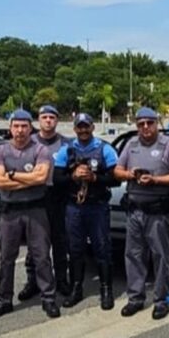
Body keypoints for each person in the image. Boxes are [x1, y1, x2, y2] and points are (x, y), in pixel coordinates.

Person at [0, 109, 60, 319]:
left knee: (42, 256)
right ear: (10, 128)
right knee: (6, 258)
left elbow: (41, 178)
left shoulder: (40, 150)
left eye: (24, 126)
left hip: (36, 209)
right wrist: (27, 178)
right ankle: (4, 300)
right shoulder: (0, 151)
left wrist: (12, 176)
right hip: (10, 213)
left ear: (30, 128)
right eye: (16, 126)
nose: (20, 131)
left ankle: (48, 298)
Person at [114, 107, 169, 320]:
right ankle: (135, 298)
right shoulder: (131, 145)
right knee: (134, 255)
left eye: (149, 123)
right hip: (135, 210)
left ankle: (161, 300)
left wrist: (155, 180)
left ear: (157, 123)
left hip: (158, 212)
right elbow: (117, 171)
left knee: (160, 256)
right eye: (141, 123)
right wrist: (130, 174)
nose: (145, 127)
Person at [54, 112, 120, 310]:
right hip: (74, 207)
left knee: (102, 248)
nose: (83, 130)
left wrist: (95, 178)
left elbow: (116, 179)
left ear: (92, 127)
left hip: (97, 206)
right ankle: (76, 288)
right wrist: (73, 176)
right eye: (79, 127)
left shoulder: (104, 149)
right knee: (75, 249)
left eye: (86, 126)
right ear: (74, 129)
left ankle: (106, 290)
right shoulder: (67, 150)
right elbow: (57, 180)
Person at [18, 104, 71, 301]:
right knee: (35, 245)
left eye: (52, 117)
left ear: (57, 120)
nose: (48, 120)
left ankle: (62, 280)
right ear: (38, 120)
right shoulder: (28, 142)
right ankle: (33, 281)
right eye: (44, 117)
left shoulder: (66, 144)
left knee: (59, 242)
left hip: (58, 200)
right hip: (34, 199)